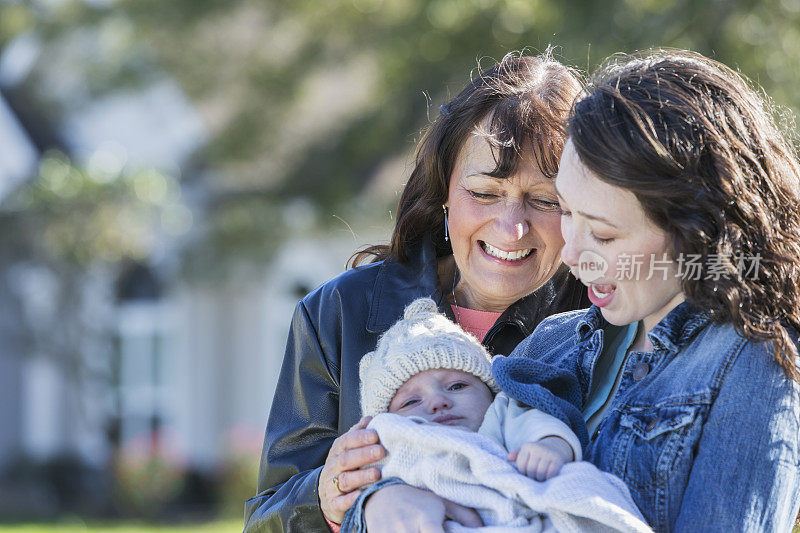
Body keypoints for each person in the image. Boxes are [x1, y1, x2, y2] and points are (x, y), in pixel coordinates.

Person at [243, 50, 591, 532]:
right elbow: (264, 521)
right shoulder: (338, 313)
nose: (512, 228)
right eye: (485, 193)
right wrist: (323, 497)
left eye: (545, 201)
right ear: (444, 191)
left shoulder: (606, 324)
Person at [489, 49, 800, 532]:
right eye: (566, 211)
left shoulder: (759, 364)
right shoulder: (551, 342)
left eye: (605, 235)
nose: (571, 256)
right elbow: (453, 469)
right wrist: (377, 501)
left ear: (697, 231)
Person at [340, 297, 650, 532]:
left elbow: (541, 423)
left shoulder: (502, 412)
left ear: (491, 391)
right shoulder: (387, 438)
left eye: (457, 385)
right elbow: (363, 482)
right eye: (411, 402)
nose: (438, 403)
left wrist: (551, 447)